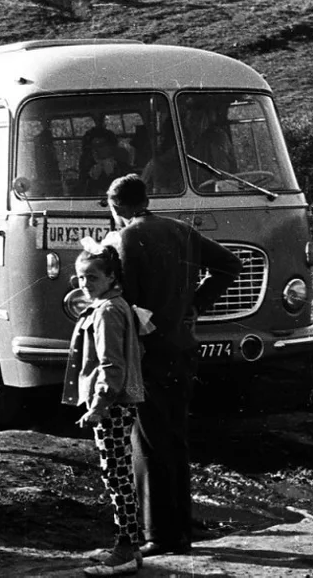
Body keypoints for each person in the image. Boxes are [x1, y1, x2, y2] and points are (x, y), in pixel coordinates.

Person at [107, 174, 241, 558]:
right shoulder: (181, 230)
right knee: (175, 438)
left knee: (147, 442)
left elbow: (122, 296)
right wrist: (196, 305)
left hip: (145, 352)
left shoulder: (121, 240)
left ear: (118, 207)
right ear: (145, 198)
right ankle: (180, 528)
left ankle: (159, 535)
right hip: (182, 348)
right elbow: (229, 265)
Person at [63, 237, 146, 576]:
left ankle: (125, 550)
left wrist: (98, 405)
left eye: (92, 278)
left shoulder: (107, 312)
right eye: (81, 278)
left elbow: (111, 366)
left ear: (111, 278)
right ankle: (128, 546)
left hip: (112, 404)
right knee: (119, 473)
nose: (85, 284)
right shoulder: (114, 305)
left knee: (117, 475)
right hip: (118, 402)